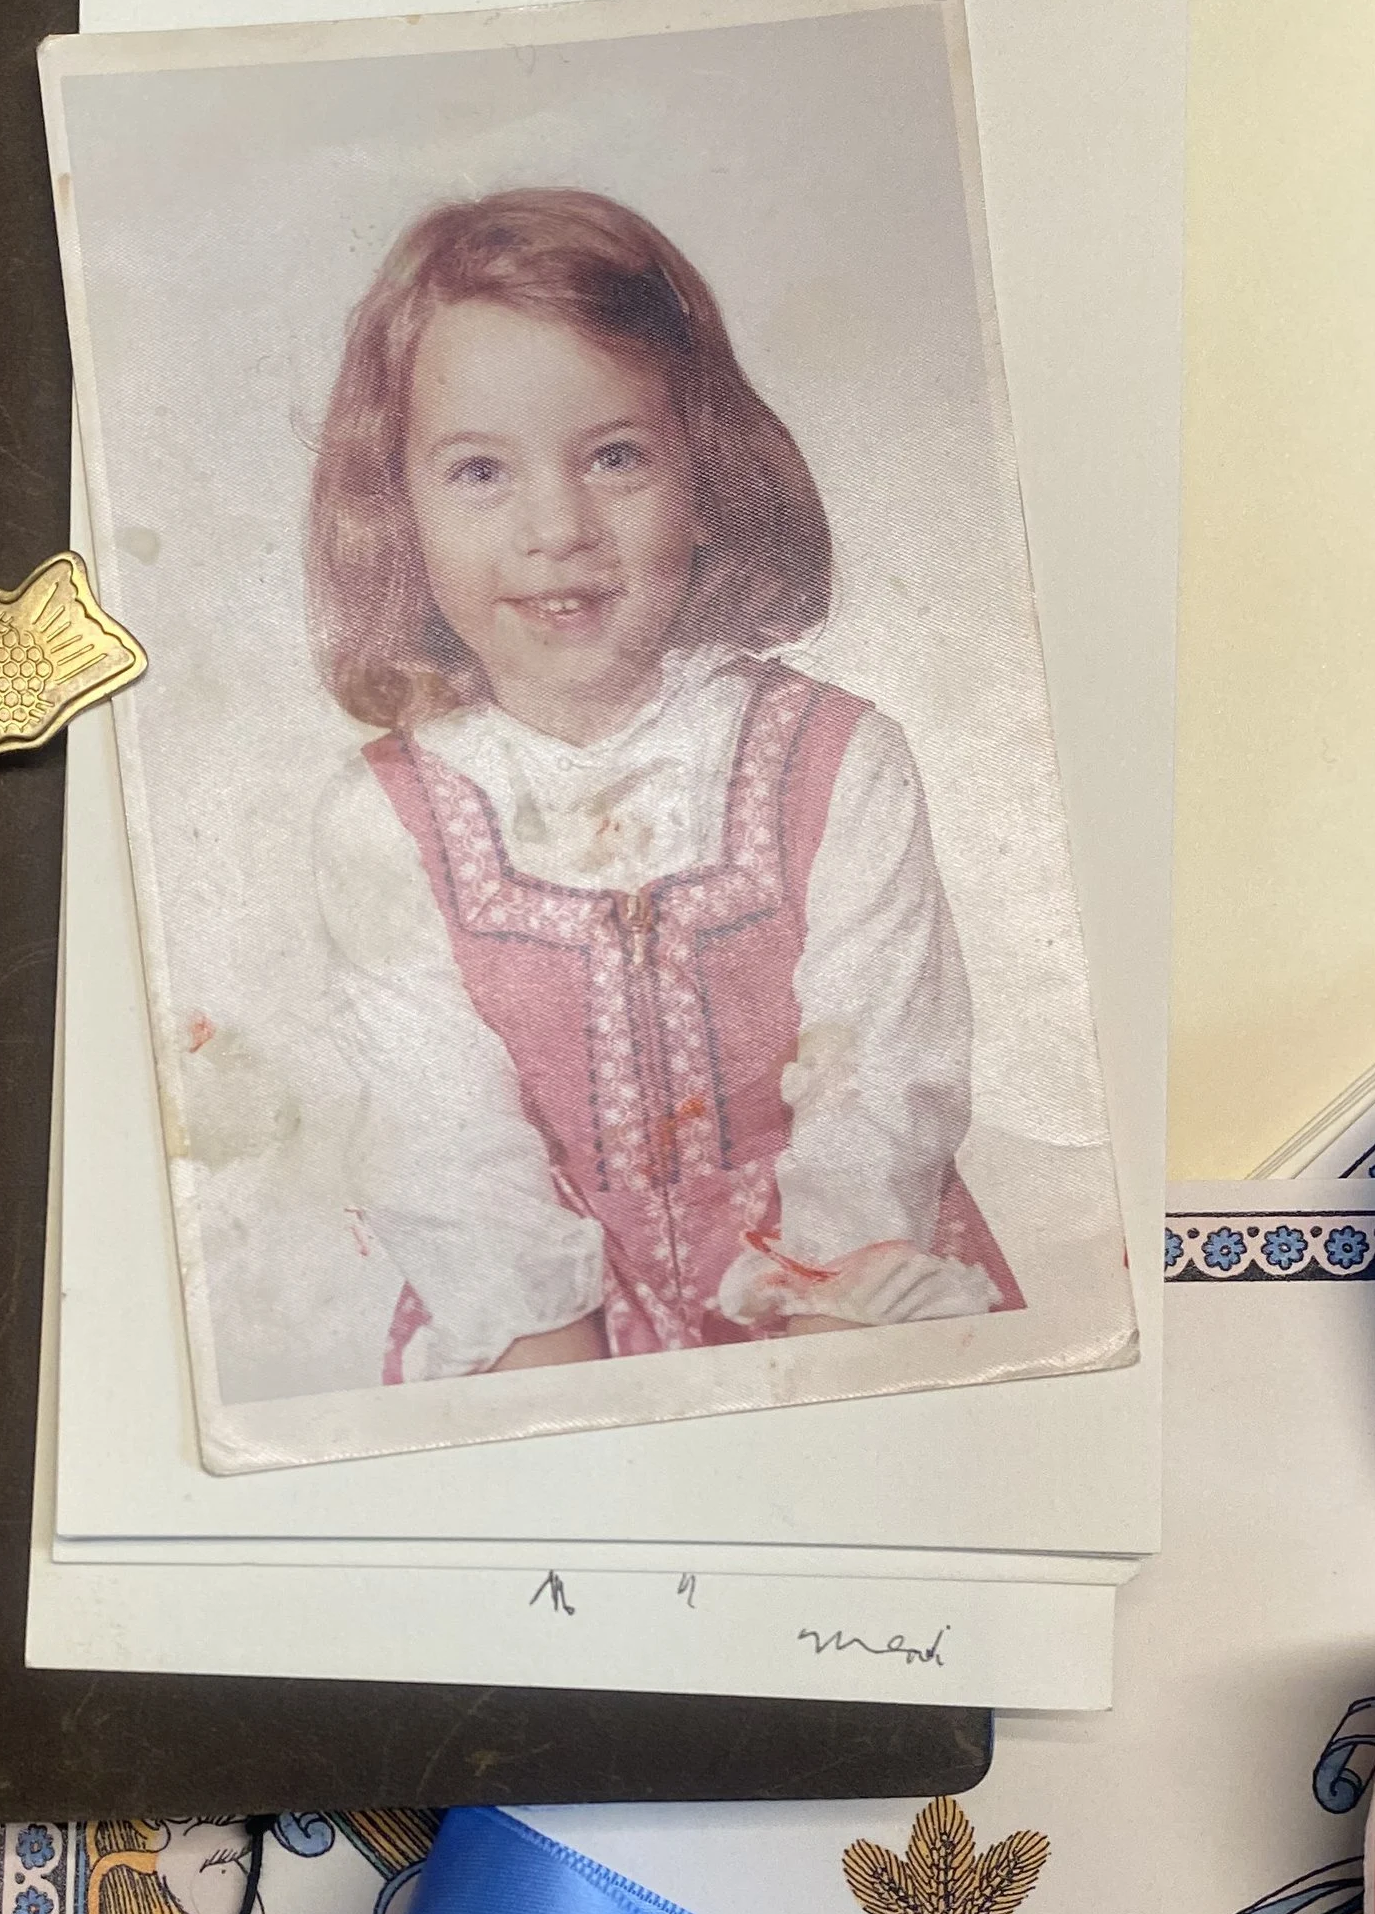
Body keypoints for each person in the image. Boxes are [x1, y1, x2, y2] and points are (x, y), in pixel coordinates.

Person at [306, 185, 1019, 1383]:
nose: (557, 527)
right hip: (548, 1346)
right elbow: (443, 1146)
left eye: (616, 456)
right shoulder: (383, 820)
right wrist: (570, 1395)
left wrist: (827, 1345)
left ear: (705, 475)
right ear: (398, 509)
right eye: (479, 471)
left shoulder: (838, 762)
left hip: (845, 1316)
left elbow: (882, 1092)